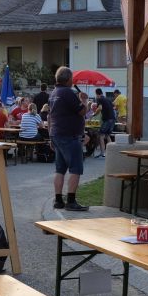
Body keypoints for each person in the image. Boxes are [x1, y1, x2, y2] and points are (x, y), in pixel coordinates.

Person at [47, 66, 89, 211]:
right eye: (72, 78)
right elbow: (82, 111)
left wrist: (50, 136)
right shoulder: (68, 92)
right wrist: (84, 100)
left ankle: (58, 200)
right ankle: (71, 201)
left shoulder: (54, 93)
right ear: (69, 79)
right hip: (69, 136)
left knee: (60, 169)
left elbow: (50, 116)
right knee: (75, 169)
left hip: (56, 134)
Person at [95, 88, 116, 158]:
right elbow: (113, 106)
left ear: (96, 94)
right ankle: (112, 152)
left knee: (101, 135)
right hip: (113, 119)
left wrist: (94, 114)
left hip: (107, 119)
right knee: (107, 135)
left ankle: (102, 153)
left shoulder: (99, 99)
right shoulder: (108, 99)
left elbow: (100, 108)